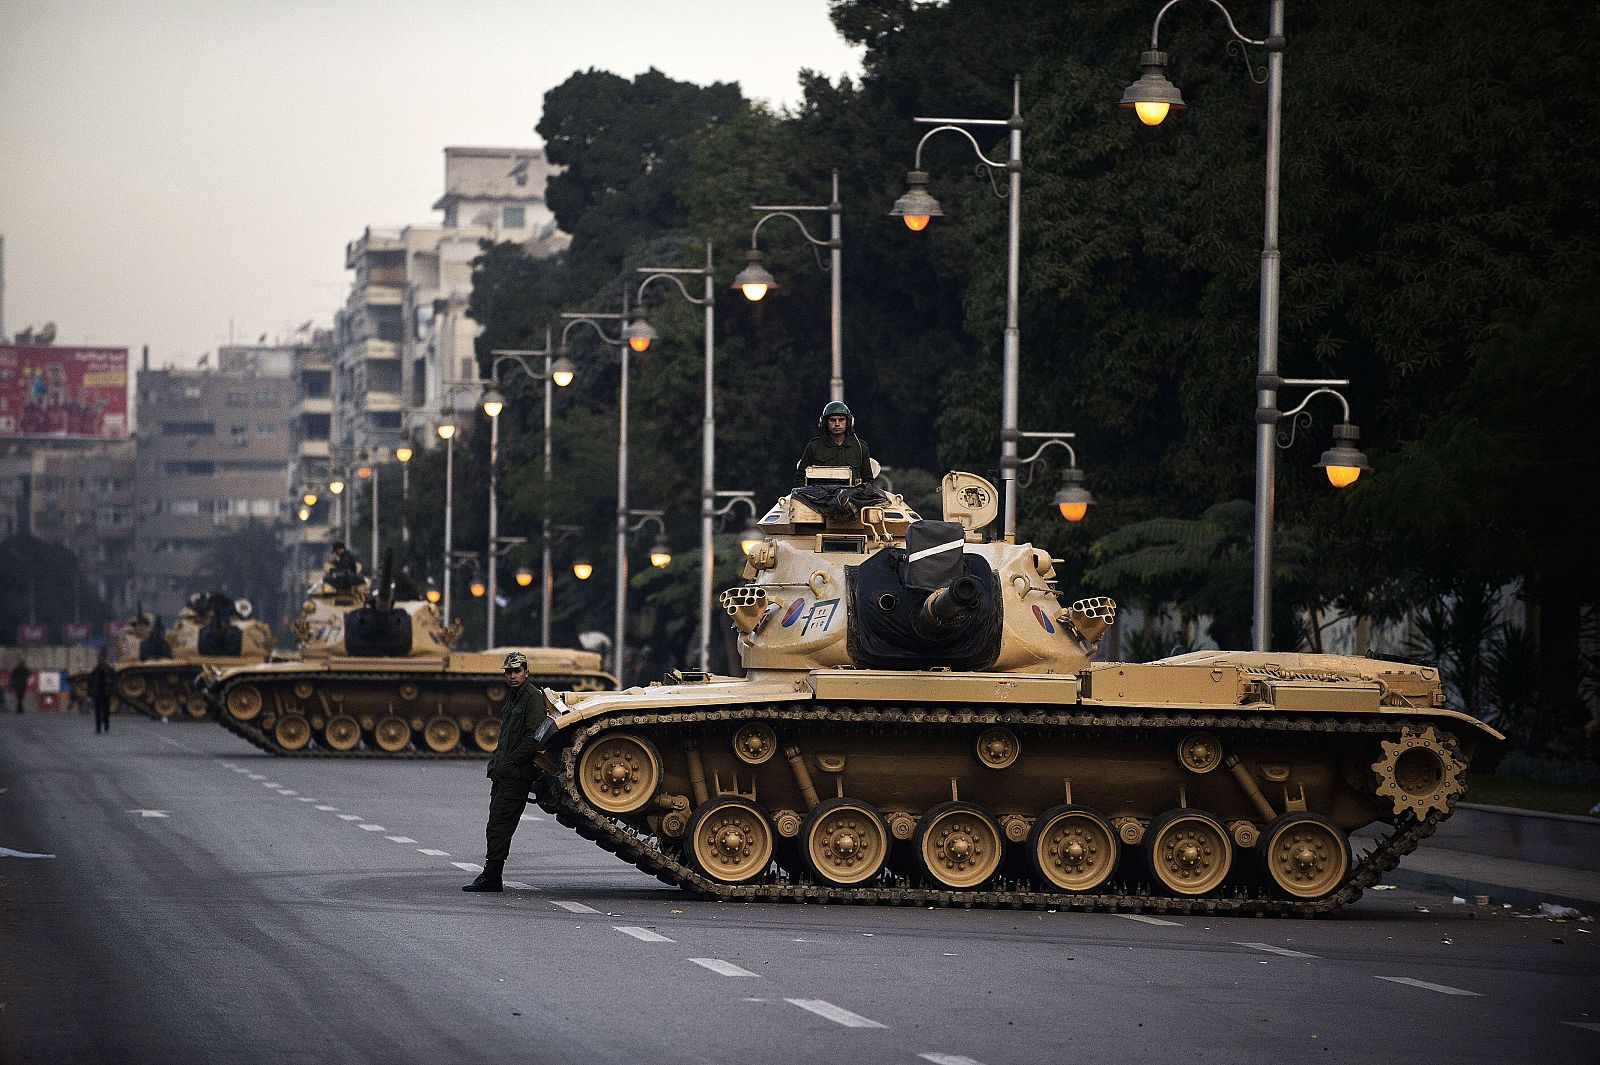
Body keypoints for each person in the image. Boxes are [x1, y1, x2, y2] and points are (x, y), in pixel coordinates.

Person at [463, 650, 543, 892]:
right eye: (508, 672)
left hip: (516, 774)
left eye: (516, 671)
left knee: (500, 823)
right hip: (504, 772)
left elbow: (536, 735)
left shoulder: (531, 697)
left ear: (526, 673)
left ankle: (492, 875)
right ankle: (492, 874)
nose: (512, 676)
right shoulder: (514, 696)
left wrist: (513, 761)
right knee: (497, 823)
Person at [796, 400, 873, 484]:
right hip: (820, 496)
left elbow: (868, 481)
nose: (837, 424)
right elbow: (800, 478)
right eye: (832, 420)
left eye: (841, 420)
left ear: (848, 422)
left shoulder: (860, 448)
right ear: (825, 422)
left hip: (852, 495)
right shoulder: (814, 447)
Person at [88, 652, 115, 734]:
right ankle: (99, 728)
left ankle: (105, 726)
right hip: (98, 693)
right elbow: (91, 681)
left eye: (102, 658)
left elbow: (114, 680)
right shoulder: (96, 670)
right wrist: (89, 693)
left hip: (105, 693)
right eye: (100, 658)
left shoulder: (108, 669)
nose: (101, 660)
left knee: (105, 711)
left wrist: (112, 689)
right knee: (98, 712)